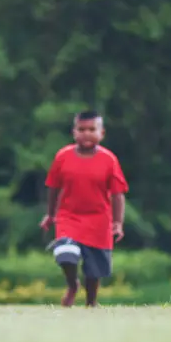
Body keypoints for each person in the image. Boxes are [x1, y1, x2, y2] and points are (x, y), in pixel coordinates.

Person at [40, 110, 128, 308]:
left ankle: (91, 303)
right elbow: (53, 187)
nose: (86, 133)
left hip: (99, 220)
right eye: (81, 129)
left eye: (91, 129)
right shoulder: (63, 157)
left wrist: (117, 223)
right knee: (65, 252)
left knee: (94, 268)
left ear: (101, 133)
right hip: (68, 217)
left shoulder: (109, 160)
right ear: (74, 132)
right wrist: (50, 214)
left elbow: (117, 194)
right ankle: (72, 285)